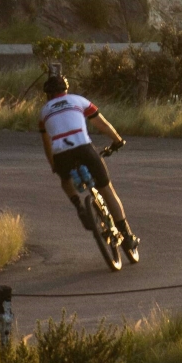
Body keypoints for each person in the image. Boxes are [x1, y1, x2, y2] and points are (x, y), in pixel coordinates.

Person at [38, 74, 137, 253]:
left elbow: (47, 142)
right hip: (83, 148)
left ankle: (78, 205)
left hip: (61, 153)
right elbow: (103, 125)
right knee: (107, 189)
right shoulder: (79, 101)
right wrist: (117, 140)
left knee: (65, 179)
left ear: (48, 94)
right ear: (65, 90)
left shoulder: (44, 111)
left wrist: (53, 164)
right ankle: (127, 236)